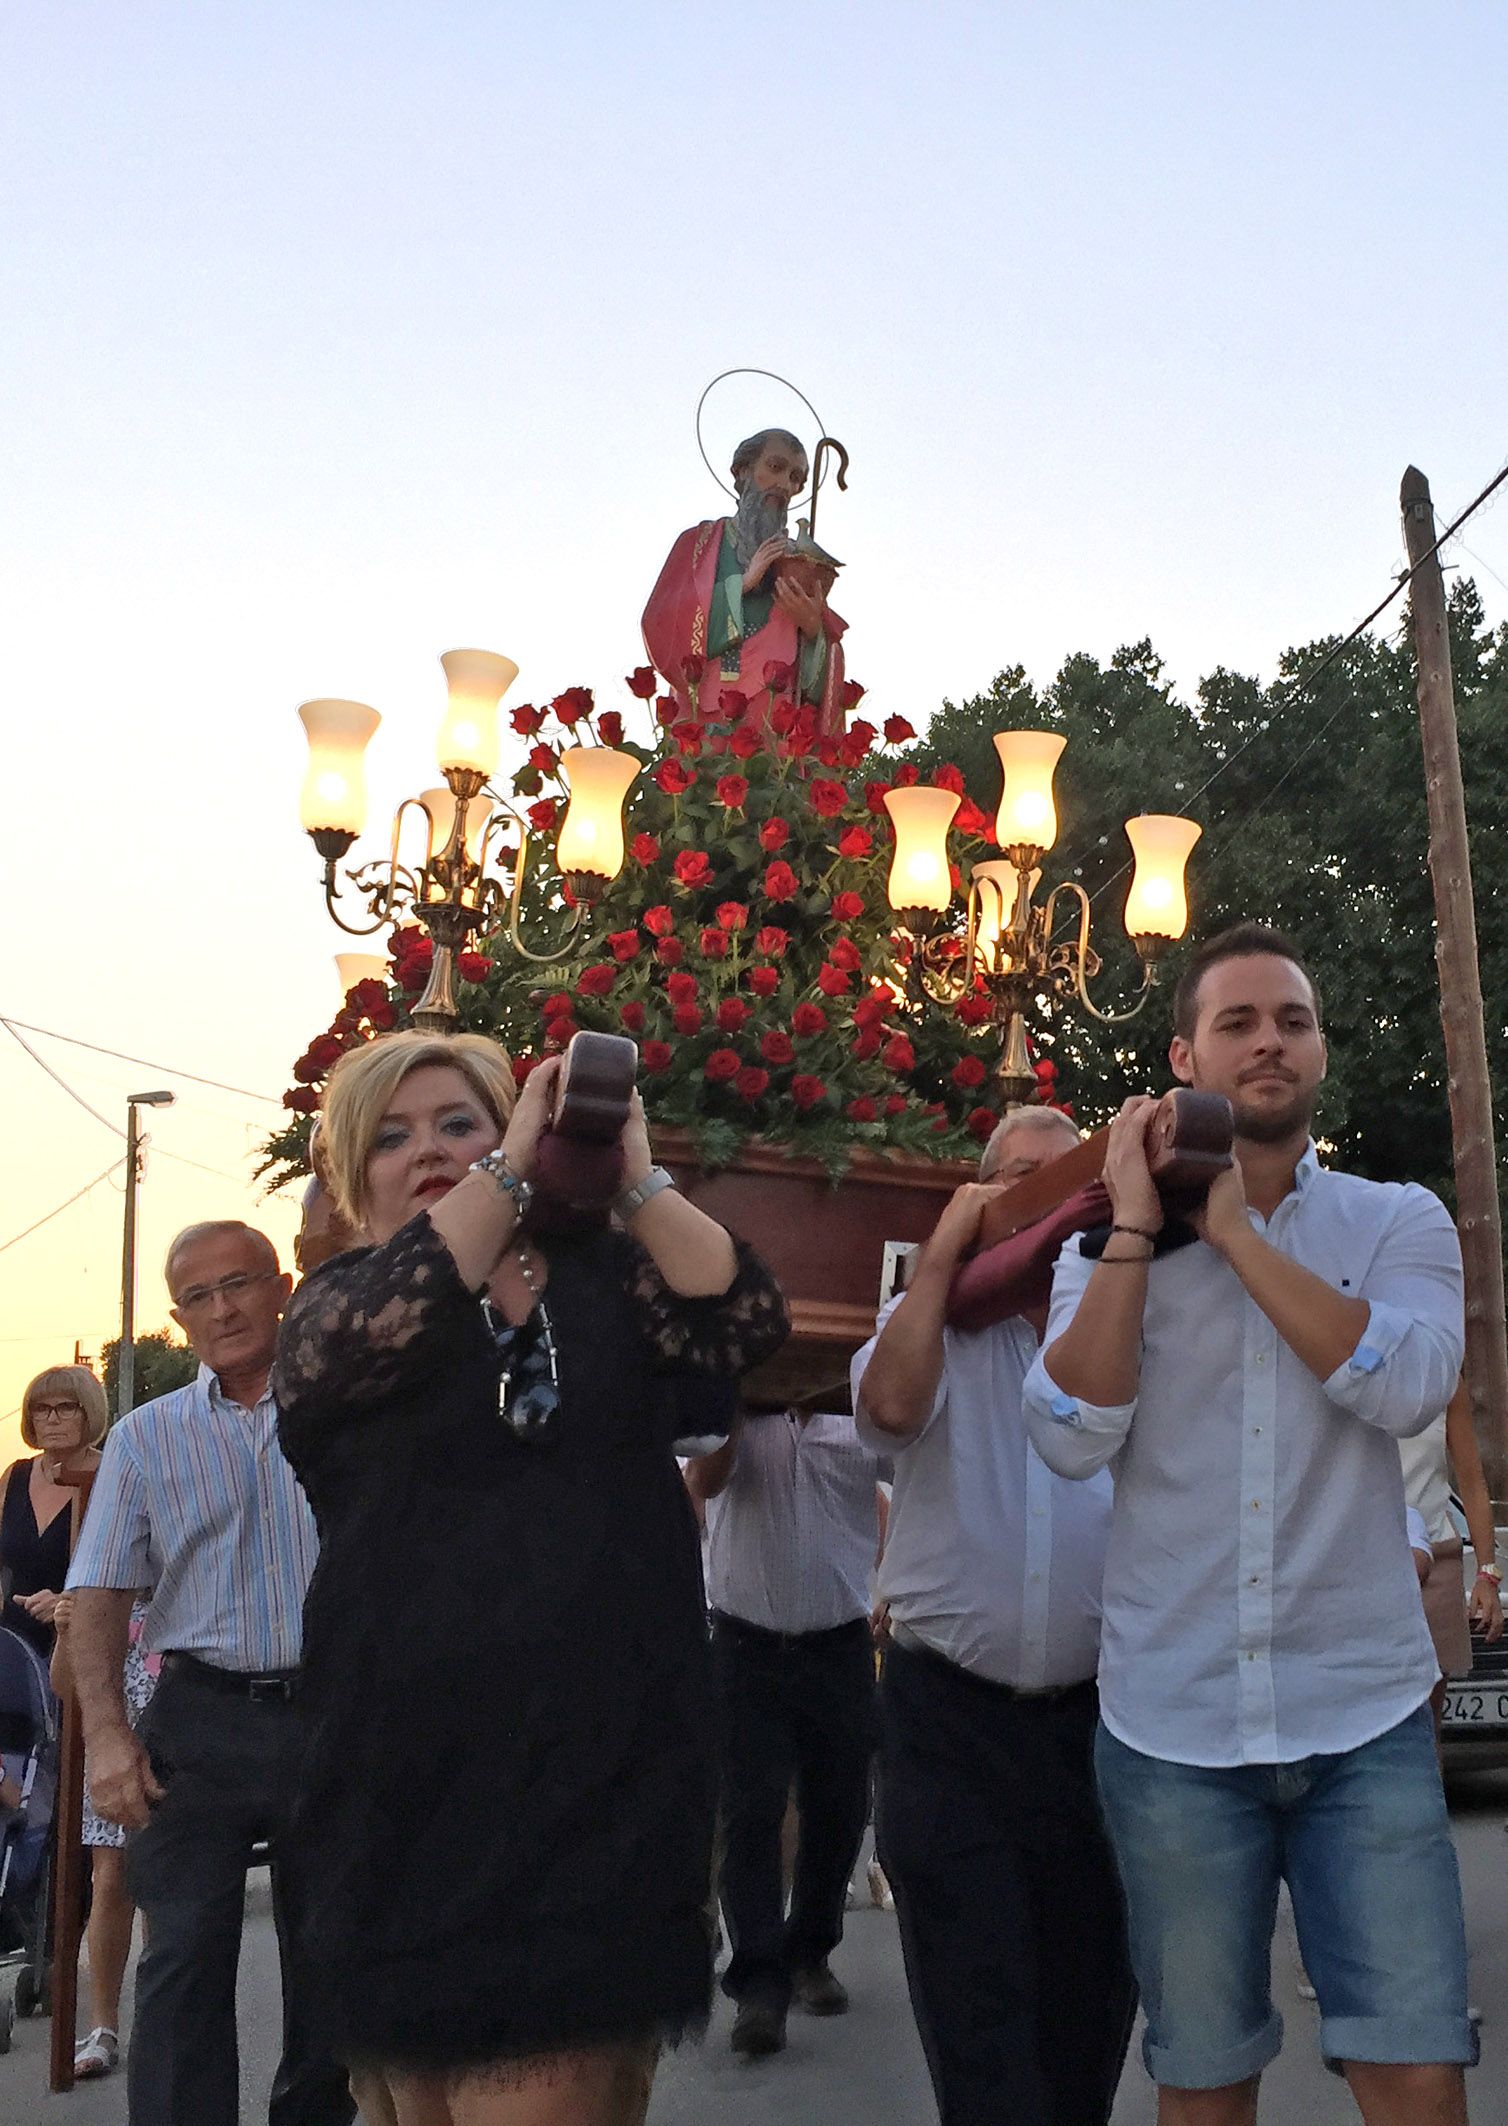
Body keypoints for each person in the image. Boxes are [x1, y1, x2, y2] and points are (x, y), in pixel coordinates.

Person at [270, 1030, 788, 2126]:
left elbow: (746, 1320)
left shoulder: (610, 1278)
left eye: (459, 1120)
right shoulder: (344, 1310)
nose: (432, 1148)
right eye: (393, 1135)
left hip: (596, 1781)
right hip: (398, 1791)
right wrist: (502, 1170)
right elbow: (380, 1321)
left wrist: (631, 1173)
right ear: (350, 1175)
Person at [1023, 922, 1475, 2126]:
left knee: (1416, 2068)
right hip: (1173, 1722)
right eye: (1236, 1020)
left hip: (1362, 1710)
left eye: (1291, 1018)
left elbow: (1401, 1382)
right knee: (1203, 2073)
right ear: (1183, 1054)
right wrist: (1134, 1226)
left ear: (1319, 1048)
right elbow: (1069, 1432)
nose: (1267, 1039)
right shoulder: (1099, 1237)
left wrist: (1229, 1229)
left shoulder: (1395, 1221)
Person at [853, 1103, 1135, 2126]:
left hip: (1099, 1723)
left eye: (1053, 1179)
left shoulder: (1120, 1320)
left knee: (1087, 2013)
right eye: (1007, 1183)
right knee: (981, 2037)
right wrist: (938, 1264)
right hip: (946, 1722)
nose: (1031, 1204)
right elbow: (884, 1410)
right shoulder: (924, 1328)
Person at [64, 1220, 353, 2126]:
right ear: (179, 1317)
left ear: (284, 1285)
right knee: (181, 1962)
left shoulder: (349, 1407)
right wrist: (109, 1735)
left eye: (239, 1283)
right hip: (200, 1721)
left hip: (335, 1714)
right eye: (199, 1295)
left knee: (331, 1960)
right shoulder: (148, 1440)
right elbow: (102, 1590)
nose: (223, 1308)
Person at [685, 1398, 884, 2060]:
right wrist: (739, 1403)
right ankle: (759, 1984)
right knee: (750, 1814)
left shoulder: (857, 1400)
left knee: (840, 1810)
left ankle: (811, 1951)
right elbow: (703, 1484)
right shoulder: (737, 1403)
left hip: (839, 1644)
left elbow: (906, 1475)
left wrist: (898, 1585)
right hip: (746, 1645)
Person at [641, 427, 848, 730]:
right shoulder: (698, 544)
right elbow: (660, 622)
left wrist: (814, 629)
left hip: (772, 724)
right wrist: (741, 586)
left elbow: (821, 670)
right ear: (742, 472)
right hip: (702, 722)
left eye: (795, 479)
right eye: (775, 468)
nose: (784, 485)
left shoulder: (800, 563)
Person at [50, 1587, 159, 2079]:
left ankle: (161, 2016)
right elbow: (63, 1687)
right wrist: (65, 1633)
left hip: (169, 1750)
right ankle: (102, 2025)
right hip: (112, 1750)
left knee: (163, 1887)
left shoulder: (179, 1599)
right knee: (110, 1882)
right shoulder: (100, 1601)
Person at [1401, 1374, 1504, 1731]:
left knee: (1425, 1729)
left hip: (1436, 1563)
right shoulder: (1342, 1361)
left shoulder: (1444, 1380)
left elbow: (1472, 1481)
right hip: (1362, 1563)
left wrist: (1487, 1574)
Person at [1, 1365, 106, 1657]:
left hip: (84, 1645)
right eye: (41, 1409)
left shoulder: (112, 1476)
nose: (52, 1419)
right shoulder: (15, 1476)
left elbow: (142, 1580)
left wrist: (65, 1602)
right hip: (13, 1646)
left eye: (65, 1408)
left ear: (89, 1413)